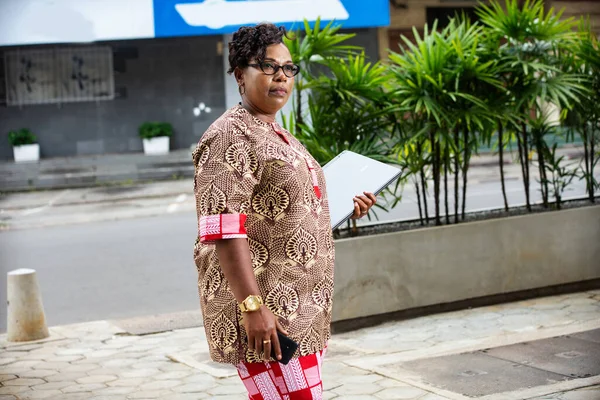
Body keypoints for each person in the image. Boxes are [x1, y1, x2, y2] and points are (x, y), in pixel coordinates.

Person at [192, 23, 376, 400]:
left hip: (305, 307)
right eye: (268, 66)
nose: (281, 76)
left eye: (288, 68)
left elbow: (288, 211)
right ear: (241, 75)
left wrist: (341, 207)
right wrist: (252, 307)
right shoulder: (230, 135)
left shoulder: (279, 134)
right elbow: (224, 230)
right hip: (268, 311)